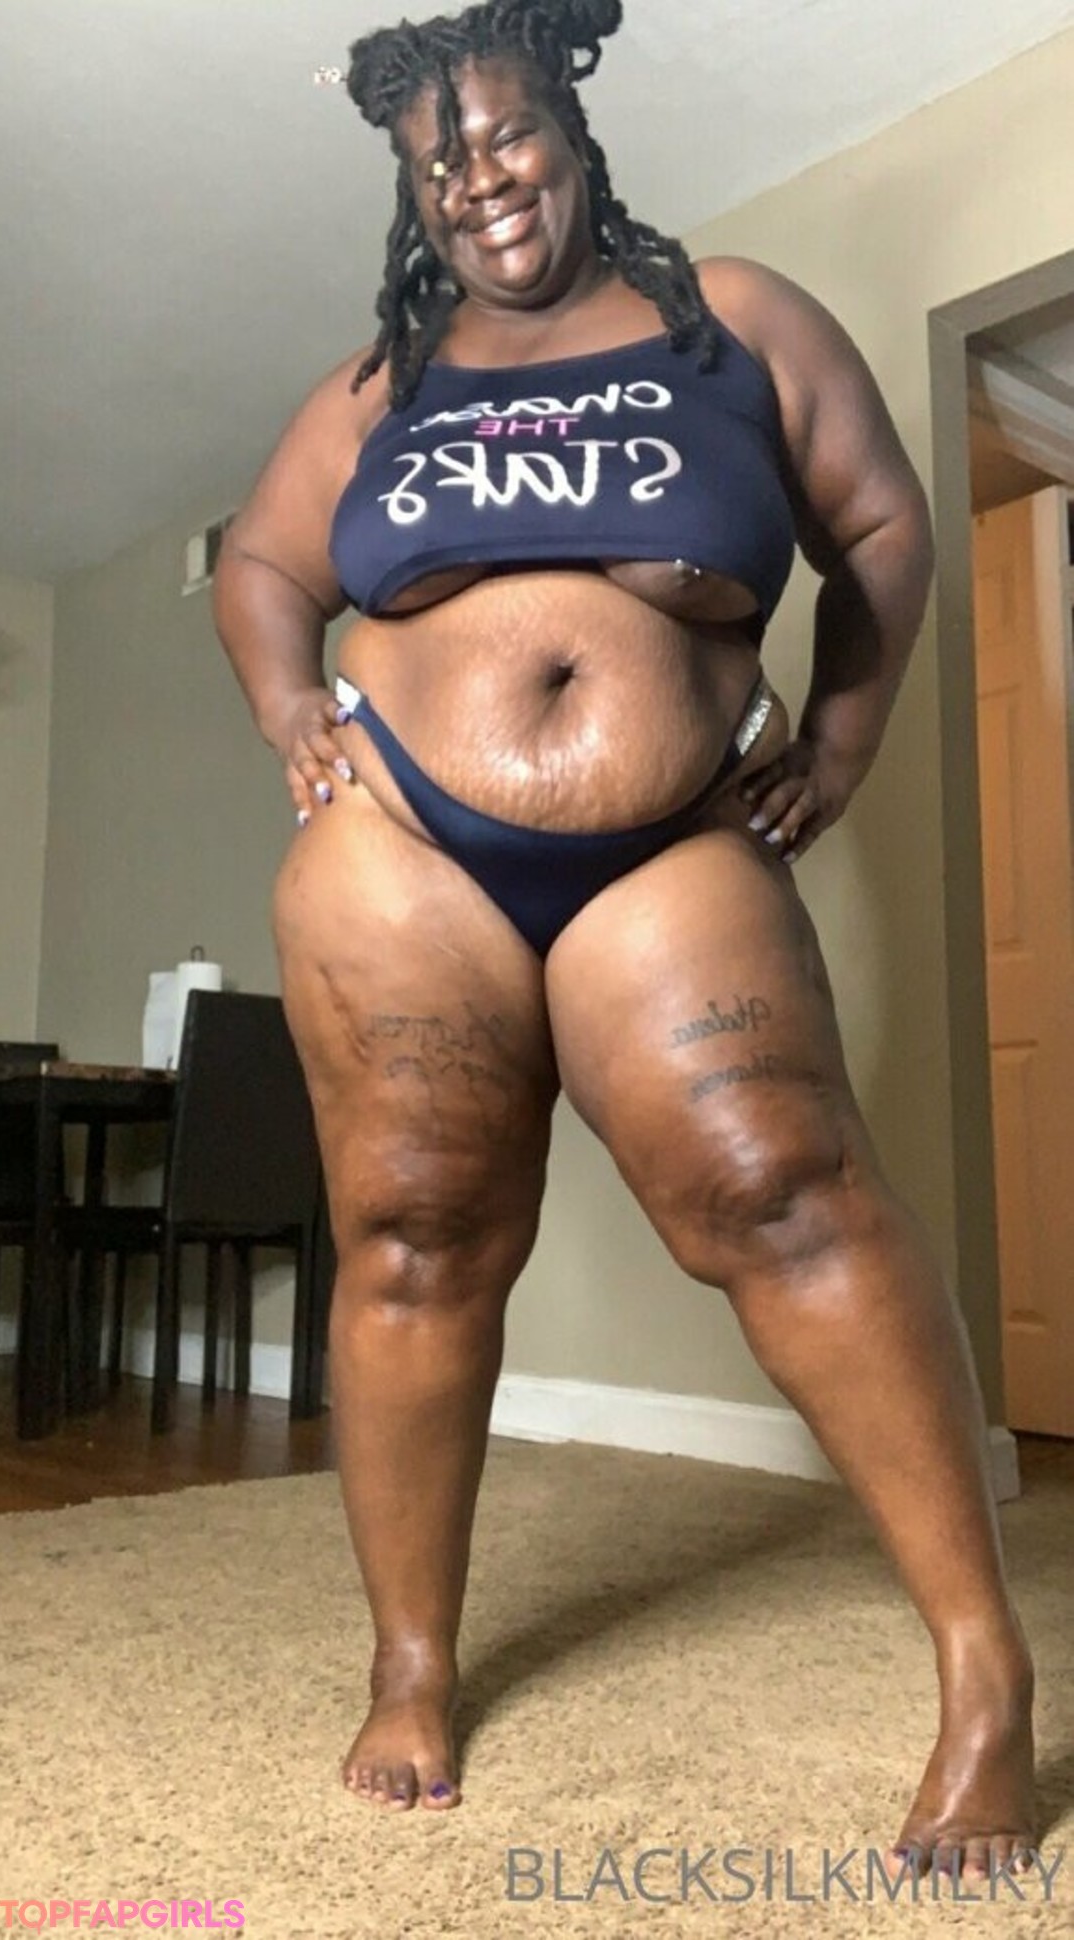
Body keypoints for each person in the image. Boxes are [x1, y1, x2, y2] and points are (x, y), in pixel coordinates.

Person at [212, 0, 1036, 1876]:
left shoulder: (730, 321)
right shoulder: (382, 382)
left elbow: (883, 530)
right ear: (412, 194)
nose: (479, 179)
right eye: (439, 162)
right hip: (403, 855)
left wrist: (843, 738)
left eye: (506, 134)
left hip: (664, 846)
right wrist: (288, 709)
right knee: (414, 1236)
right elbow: (262, 565)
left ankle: (983, 1664)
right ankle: (412, 1661)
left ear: (572, 134)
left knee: (786, 1191)